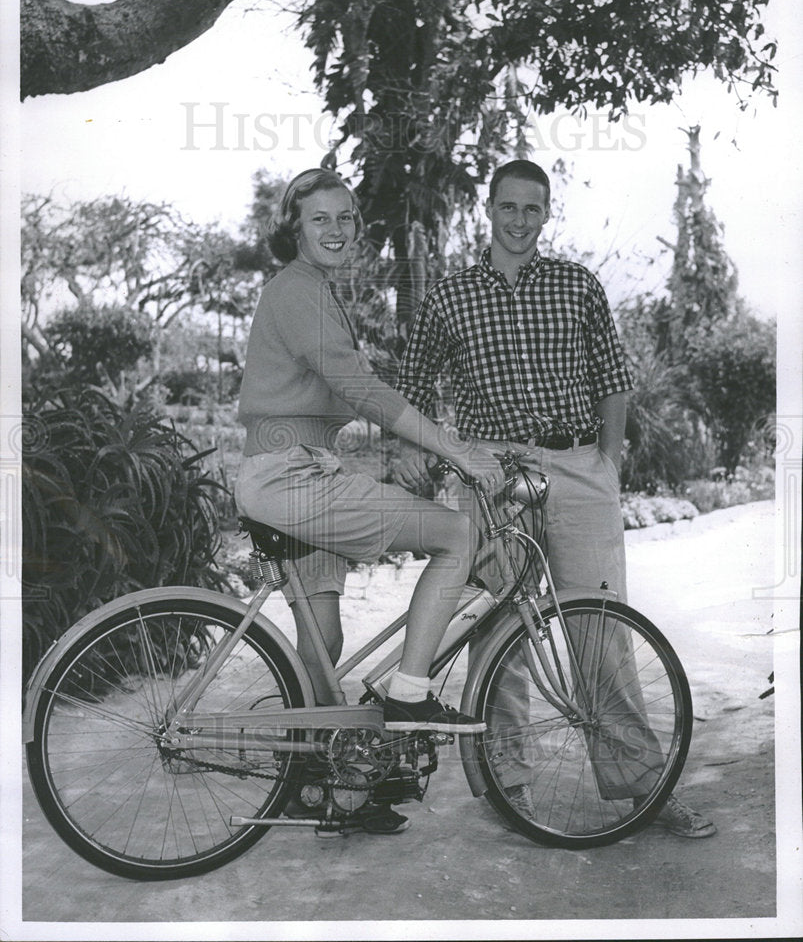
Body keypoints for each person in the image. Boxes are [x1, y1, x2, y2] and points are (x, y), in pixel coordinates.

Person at [393, 158, 716, 839]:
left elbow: (613, 374)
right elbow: (414, 389)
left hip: (575, 467)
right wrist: (437, 462)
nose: (517, 221)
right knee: (496, 633)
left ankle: (638, 787)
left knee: (601, 627)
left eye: (530, 209)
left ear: (545, 214)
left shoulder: (576, 285)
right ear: (489, 209)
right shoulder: (449, 297)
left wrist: (606, 456)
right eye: (506, 207)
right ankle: (506, 786)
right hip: (489, 469)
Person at [234, 168, 506, 831]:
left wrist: (389, 454)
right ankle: (409, 693)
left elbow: (327, 405)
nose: (335, 229)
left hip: (301, 465)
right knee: (455, 536)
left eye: (346, 217)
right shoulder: (297, 292)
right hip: (289, 478)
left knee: (321, 643)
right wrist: (453, 449)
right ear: (293, 229)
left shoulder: (314, 292)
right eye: (319, 219)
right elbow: (361, 389)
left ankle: (327, 781)